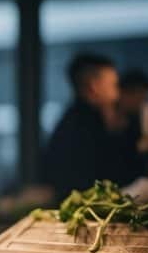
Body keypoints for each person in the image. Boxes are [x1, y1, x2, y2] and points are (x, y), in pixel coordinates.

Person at [42, 53, 142, 200]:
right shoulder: (80, 128)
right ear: (94, 86)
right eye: (113, 85)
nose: (118, 92)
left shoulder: (81, 120)